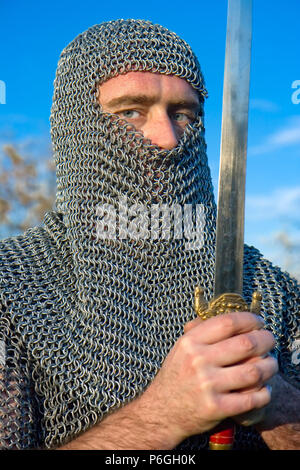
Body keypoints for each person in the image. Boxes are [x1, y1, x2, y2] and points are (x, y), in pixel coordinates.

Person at [0, 19, 299, 451]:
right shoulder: (12, 289)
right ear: (76, 131)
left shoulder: (270, 289)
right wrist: (160, 417)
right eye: (131, 112)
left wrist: (277, 404)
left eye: (183, 114)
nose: (167, 138)